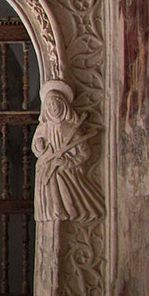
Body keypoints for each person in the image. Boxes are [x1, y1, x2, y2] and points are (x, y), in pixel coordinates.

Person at [32, 81, 105, 223]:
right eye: (50, 104)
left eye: (56, 103)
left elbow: (85, 153)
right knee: (48, 176)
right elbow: (36, 148)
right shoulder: (44, 128)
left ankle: (72, 213)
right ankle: (50, 215)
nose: (53, 108)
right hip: (47, 169)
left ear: (63, 105)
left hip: (68, 171)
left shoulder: (71, 128)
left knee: (61, 178)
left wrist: (67, 162)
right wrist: (40, 147)